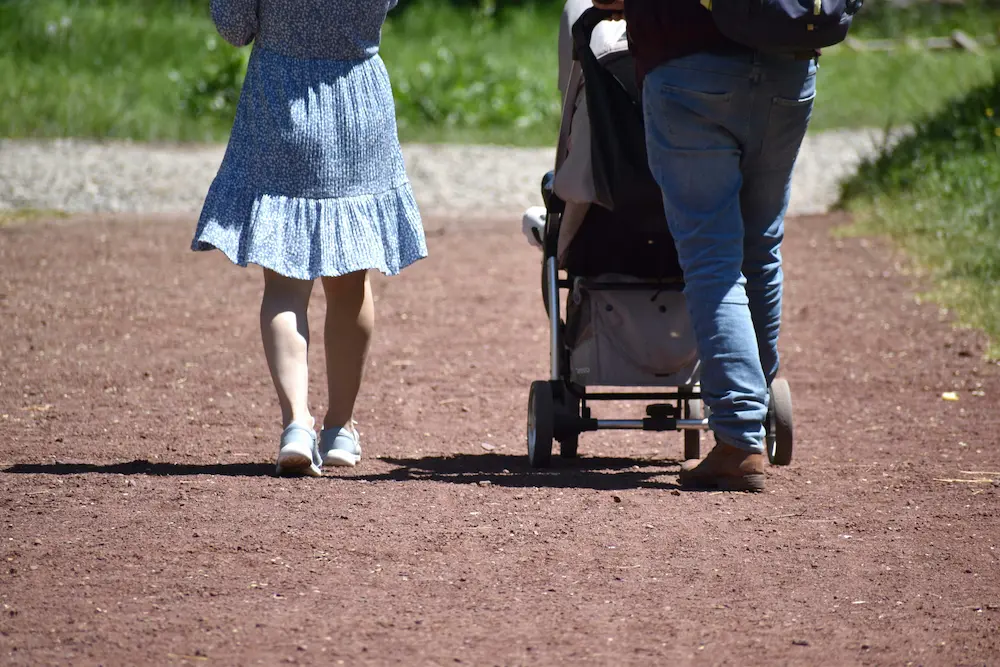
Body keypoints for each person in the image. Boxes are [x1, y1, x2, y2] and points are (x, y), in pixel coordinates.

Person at [191, 0, 427, 477]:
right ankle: (339, 429)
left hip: (280, 102)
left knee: (283, 286)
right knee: (350, 283)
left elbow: (234, 27)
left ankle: (296, 425)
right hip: (358, 102)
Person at [592, 0, 817, 491]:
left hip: (688, 66)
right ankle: (751, 412)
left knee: (713, 259)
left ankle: (739, 438)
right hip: (790, 62)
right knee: (761, 248)